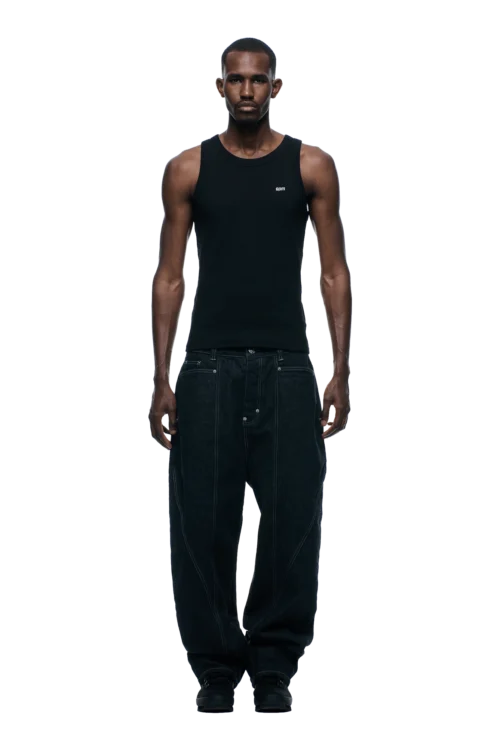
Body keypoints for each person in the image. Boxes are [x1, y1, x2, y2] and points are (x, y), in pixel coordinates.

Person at [149, 36, 352, 714]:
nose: (246, 91)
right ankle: (213, 668)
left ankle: (272, 668)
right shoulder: (188, 169)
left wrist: (340, 371)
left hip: (288, 368)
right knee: (201, 525)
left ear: (276, 87)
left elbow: (333, 272)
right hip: (208, 368)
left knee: (292, 522)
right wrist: (162, 377)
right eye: (235, 80)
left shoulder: (311, 165)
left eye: (257, 80)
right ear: (219, 86)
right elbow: (170, 276)